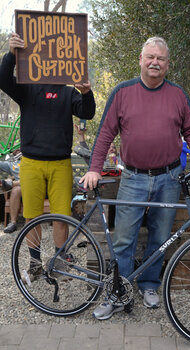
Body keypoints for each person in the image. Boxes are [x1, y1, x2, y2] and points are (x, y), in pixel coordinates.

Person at [80, 36, 190, 320]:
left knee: (160, 235)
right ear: (140, 59)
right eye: (150, 57)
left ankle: (150, 284)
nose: (154, 62)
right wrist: (94, 168)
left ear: (167, 64)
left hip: (169, 176)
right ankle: (118, 291)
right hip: (133, 177)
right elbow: (104, 134)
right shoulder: (122, 92)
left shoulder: (177, 94)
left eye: (160, 58)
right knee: (124, 238)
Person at [0, 32, 96, 282]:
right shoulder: (27, 89)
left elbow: (88, 112)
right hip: (31, 163)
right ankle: (34, 264)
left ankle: (60, 262)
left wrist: (86, 92)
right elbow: (2, 79)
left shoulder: (69, 91)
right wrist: (11, 53)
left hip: (60, 163)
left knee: (62, 216)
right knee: (31, 216)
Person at [0, 149, 22, 233]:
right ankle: (13, 223)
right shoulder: (12, 163)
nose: (17, 150)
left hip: (36, 185)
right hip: (21, 188)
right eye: (14, 149)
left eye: (19, 147)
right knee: (16, 190)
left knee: (28, 180)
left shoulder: (32, 158)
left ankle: (11, 184)